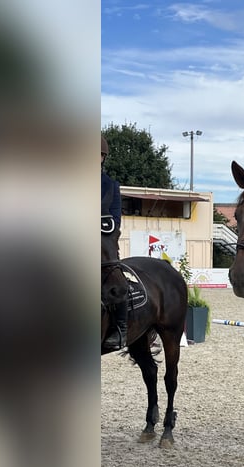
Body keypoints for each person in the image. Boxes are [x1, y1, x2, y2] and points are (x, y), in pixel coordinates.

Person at [101, 135, 128, 351]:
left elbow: (115, 217)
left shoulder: (111, 185)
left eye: (99, 155)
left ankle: (119, 329)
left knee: (117, 281)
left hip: (104, 238)